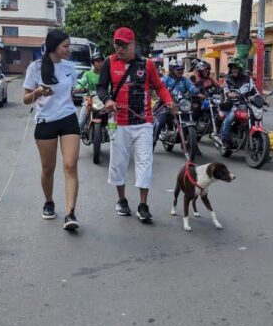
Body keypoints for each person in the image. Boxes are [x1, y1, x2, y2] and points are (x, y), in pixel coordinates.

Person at [96, 27, 174, 223]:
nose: (119, 49)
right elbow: (101, 87)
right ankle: (121, 200)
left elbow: (159, 87)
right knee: (118, 163)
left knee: (144, 163)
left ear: (133, 45)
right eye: (116, 44)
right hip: (119, 123)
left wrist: (169, 101)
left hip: (143, 123)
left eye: (123, 45)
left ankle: (143, 204)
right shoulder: (109, 62)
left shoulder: (147, 65)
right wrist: (107, 100)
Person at [23, 30, 81, 231]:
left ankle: (70, 213)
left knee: (70, 165)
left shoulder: (70, 67)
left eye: (69, 45)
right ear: (54, 47)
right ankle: (49, 201)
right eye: (65, 46)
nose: (68, 49)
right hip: (45, 121)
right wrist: (38, 92)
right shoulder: (35, 68)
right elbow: (25, 99)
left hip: (68, 119)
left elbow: (71, 93)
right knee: (48, 168)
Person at [152, 59, 200, 149]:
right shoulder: (165, 79)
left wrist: (197, 91)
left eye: (181, 69)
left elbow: (191, 86)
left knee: (192, 119)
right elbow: (158, 89)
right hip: (167, 105)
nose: (180, 71)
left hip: (182, 105)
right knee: (160, 122)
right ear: (172, 70)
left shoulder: (184, 80)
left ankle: (192, 143)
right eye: (177, 69)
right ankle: (153, 142)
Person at [218, 58, 256, 146]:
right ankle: (225, 139)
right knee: (229, 118)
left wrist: (260, 99)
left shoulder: (247, 79)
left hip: (244, 104)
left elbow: (254, 91)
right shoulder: (227, 79)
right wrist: (229, 94)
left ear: (240, 69)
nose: (234, 70)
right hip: (231, 103)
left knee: (253, 117)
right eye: (232, 68)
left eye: (236, 68)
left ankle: (260, 145)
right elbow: (225, 90)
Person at [77, 50, 104, 132]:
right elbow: (82, 82)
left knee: (113, 119)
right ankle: (77, 136)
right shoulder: (87, 74)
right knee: (81, 121)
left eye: (101, 61)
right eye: (97, 61)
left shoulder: (106, 73)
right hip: (90, 100)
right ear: (93, 63)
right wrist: (78, 88)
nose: (99, 63)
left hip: (104, 99)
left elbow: (111, 84)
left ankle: (113, 136)